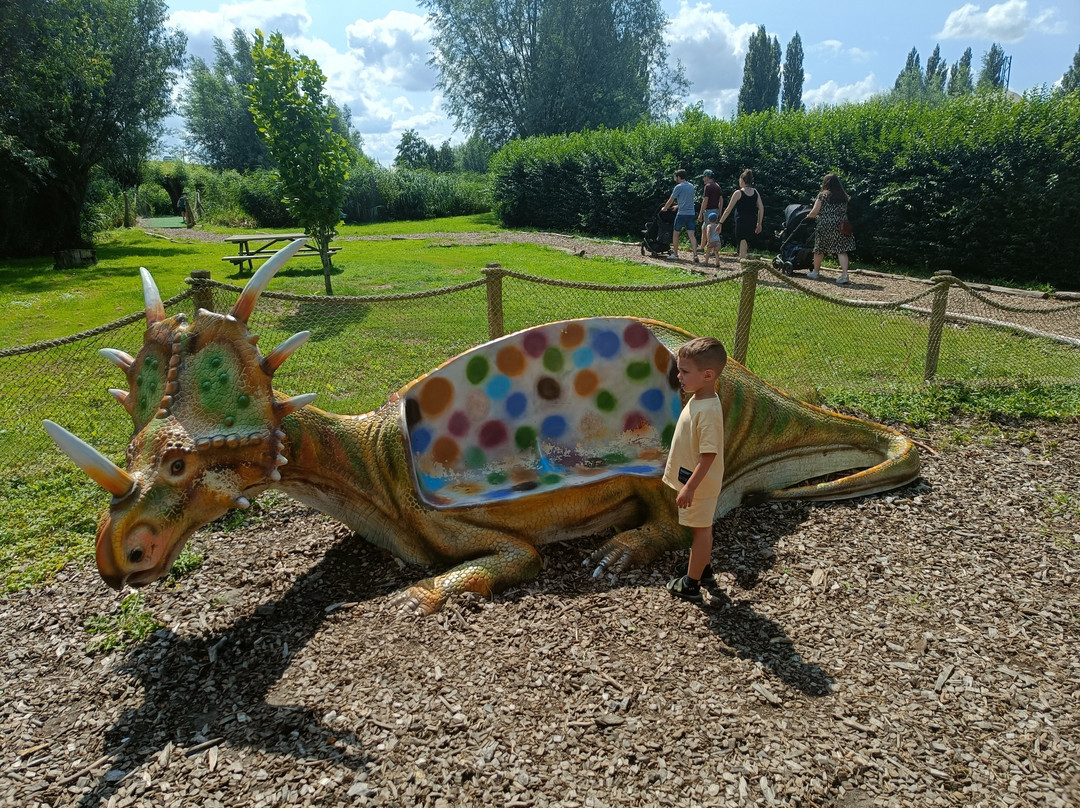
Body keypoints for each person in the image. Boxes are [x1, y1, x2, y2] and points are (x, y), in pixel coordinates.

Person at [664, 336, 727, 603]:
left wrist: (690, 488)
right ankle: (704, 569)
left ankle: (691, 584)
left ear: (708, 375)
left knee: (701, 532)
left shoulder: (708, 411)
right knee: (699, 529)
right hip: (693, 481)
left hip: (698, 486)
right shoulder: (699, 397)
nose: (679, 376)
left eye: (685, 372)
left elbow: (709, 455)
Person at [804, 173, 855, 285]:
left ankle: (815, 272)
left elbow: (815, 212)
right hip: (841, 225)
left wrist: (809, 215)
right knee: (841, 250)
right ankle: (845, 275)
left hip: (825, 225)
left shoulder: (823, 195)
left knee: (819, 248)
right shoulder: (844, 196)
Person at [717, 169, 764, 262]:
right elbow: (761, 207)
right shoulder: (755, 192)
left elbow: (728, 210)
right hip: (752, 220)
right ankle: (744, 260)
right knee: (746, 241)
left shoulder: (738, 193)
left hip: (741, 221)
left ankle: (743, 263)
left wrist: (720, 222)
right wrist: (759, 223)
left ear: (742, 180)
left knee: (742, 240)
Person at [660, 169, 699, 262]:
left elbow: (671, 199)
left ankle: (676, 254)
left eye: (675, 177)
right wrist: (677, 206)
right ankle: (695, 255)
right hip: (691, 213)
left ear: (678, 177)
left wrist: (665, 208)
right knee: (692, 235)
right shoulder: (691, 186)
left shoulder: (678, 187)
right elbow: (688, 200)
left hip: (681, 214)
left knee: (676, 233)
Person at [697, 169, 723, 236]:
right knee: (704, 228)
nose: (703, 179)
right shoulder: (717, 186)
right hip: (716, 211)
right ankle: (702, 246)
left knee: (709, 231)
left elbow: (705, 201)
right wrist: (719, 212)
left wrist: (700, 213)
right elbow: (721, 200)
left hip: (709, 211)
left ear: (707, 177)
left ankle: (710, 245)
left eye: (704, 177)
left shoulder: (707, 186)